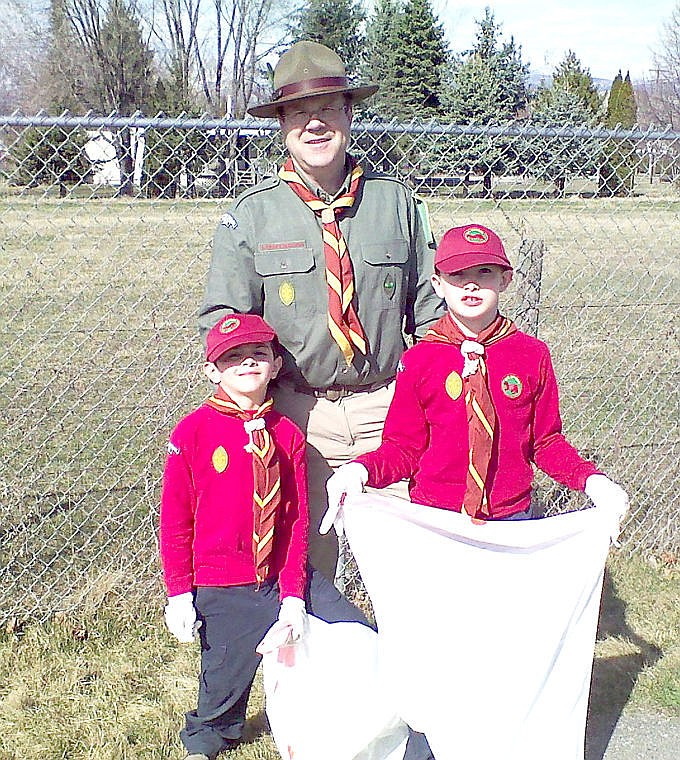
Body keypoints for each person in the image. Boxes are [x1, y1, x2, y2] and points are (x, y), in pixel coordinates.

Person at [198, 40, 445, 580]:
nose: (315, 124)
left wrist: (433, 397)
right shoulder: (253, 216)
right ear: (282, 125)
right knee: (304, 574)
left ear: (349, 113)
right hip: (297, 416)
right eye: (299, 113)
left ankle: (408, 660)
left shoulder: (395, 203)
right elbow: (224, 321)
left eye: (328, 108)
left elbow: (430, 311)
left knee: (411, 566)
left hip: (389, 412)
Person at [159, 314, 372, 760]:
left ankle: (382, 721)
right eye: (233, 357)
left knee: (362, 637)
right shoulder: (193, 432)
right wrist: (180, 592)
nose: (247, 363)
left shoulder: (287, 434)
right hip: (223, 585)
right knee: (221, 684)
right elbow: (176, 520)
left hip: (284, 575)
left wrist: (294, 595)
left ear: (276, 365)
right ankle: (209, 738)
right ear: (212, 370)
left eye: (258, 354)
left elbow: (296, 521)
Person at [322, 223, 629, 531]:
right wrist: (360, 471)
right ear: (437, 284)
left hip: (511, 519)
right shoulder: (419, 361)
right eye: (457, 275)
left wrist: (591, 480)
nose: (471, 285)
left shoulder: (531, 354)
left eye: (484, 272)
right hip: (436, 519)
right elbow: (404, 447)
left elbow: (545, 441)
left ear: (505, 280)